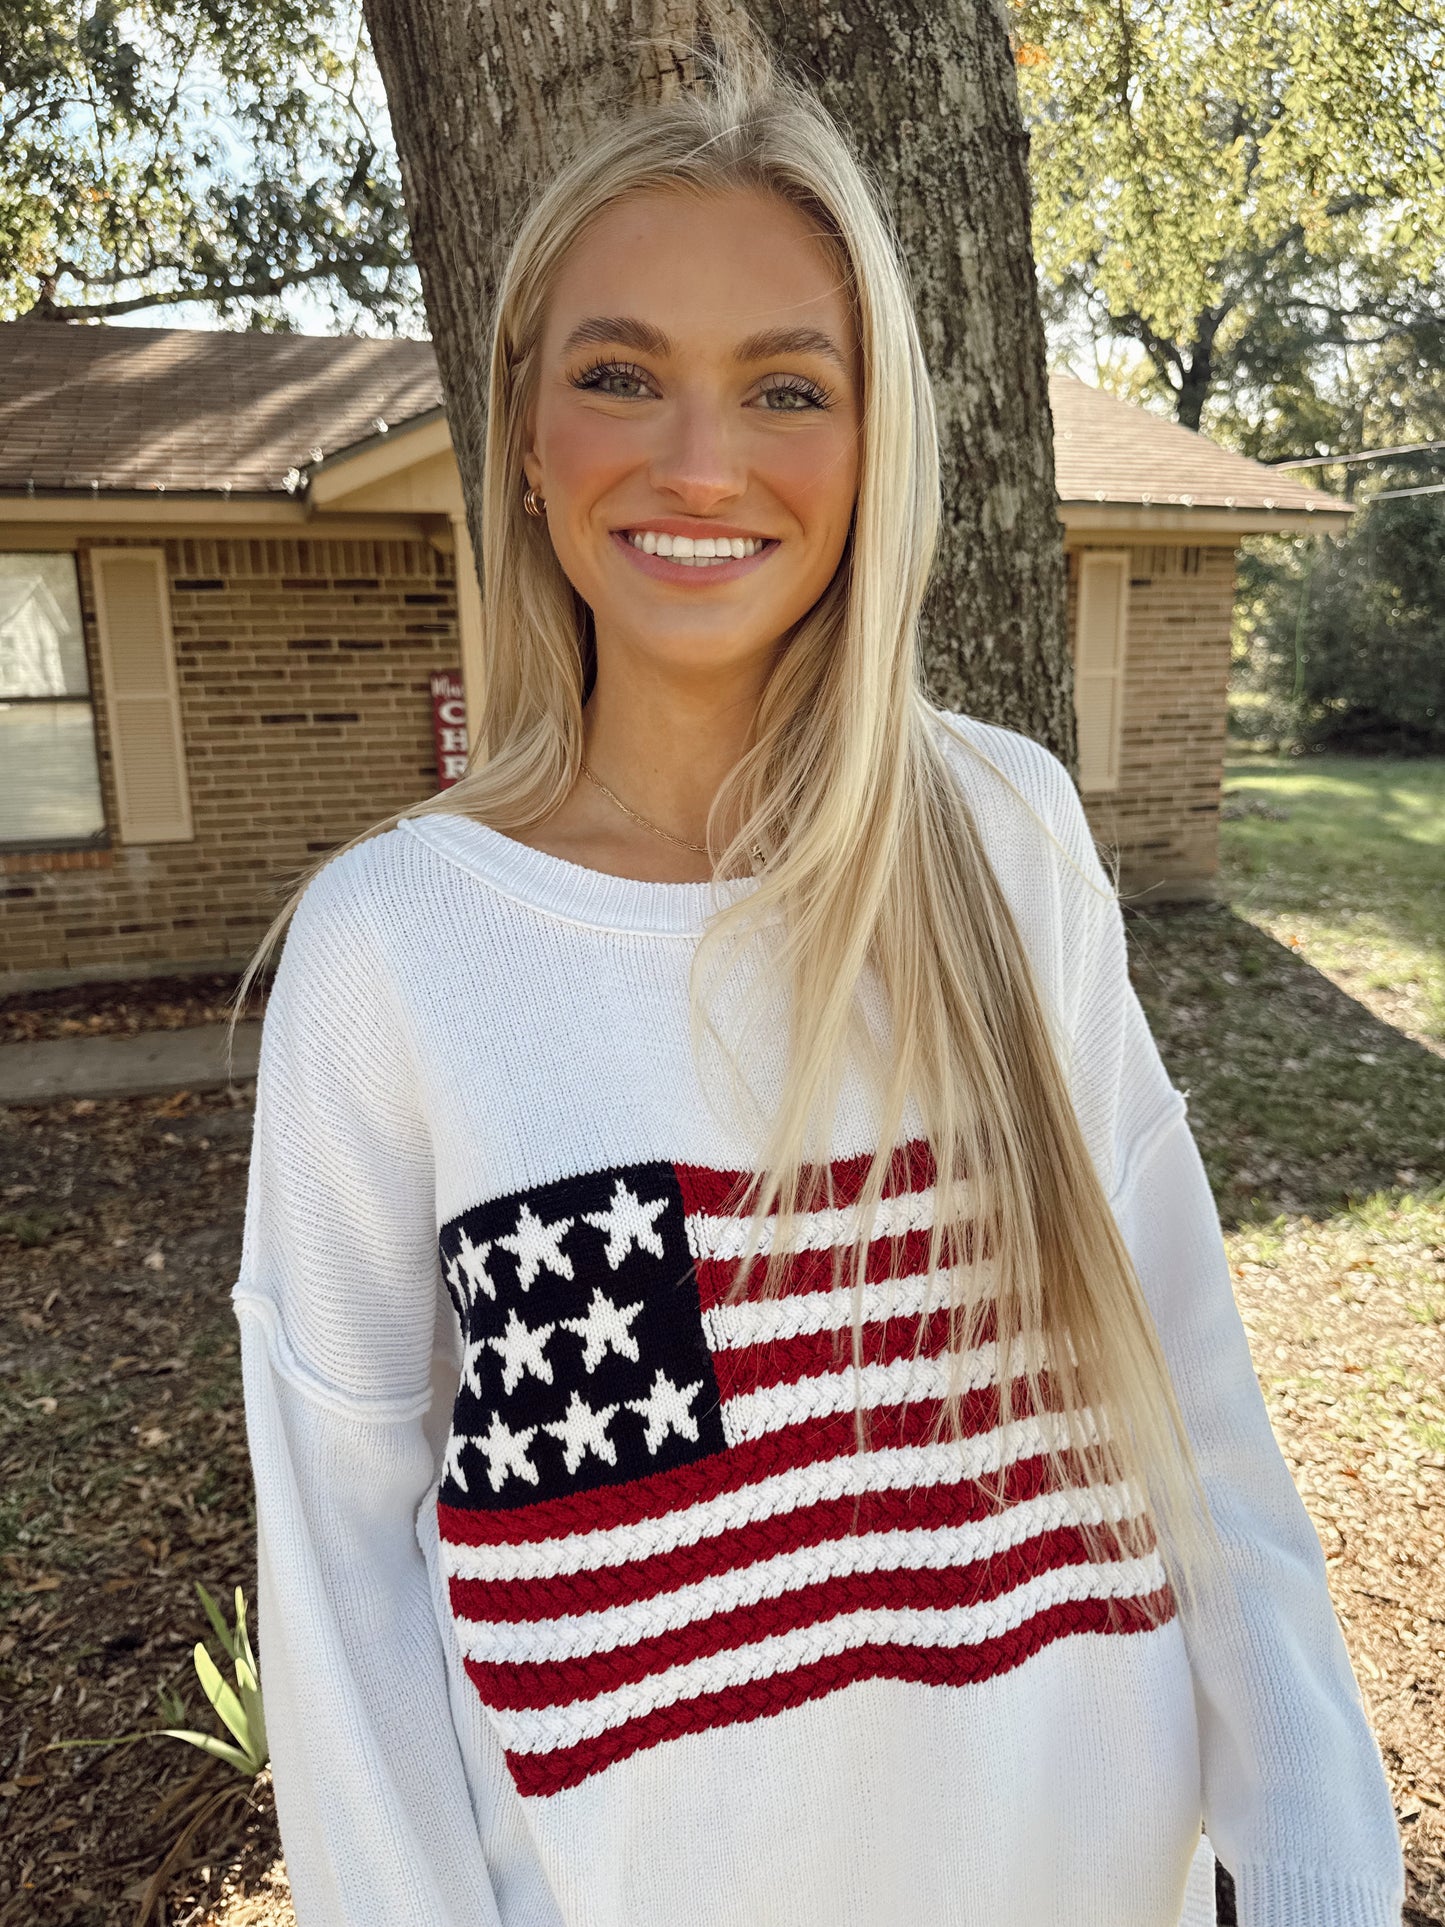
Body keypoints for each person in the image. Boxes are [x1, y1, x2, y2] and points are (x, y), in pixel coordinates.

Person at [228, 26, 1405, 1927]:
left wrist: (1313, 1870)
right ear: (525, 437)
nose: (702, 462)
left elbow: (1194, 1408)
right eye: (621, 376)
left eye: (788, 387)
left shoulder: (1005, 837)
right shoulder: (397, 956)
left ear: (875, 451)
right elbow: (348, 1608)